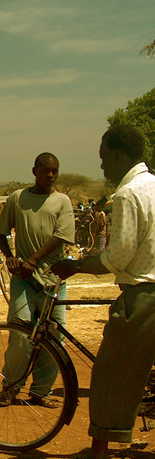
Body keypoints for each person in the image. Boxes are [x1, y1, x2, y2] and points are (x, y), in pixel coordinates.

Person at [52, 125, 155, 459]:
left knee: (112, 373)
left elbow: (120, 256)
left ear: (118, 155)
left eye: (103, 158)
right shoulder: (153, 184)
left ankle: (99, 450)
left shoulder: (127, 194)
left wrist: (77, 265)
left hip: (143, 294)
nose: (101, 167)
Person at [0, 152, 75, 407]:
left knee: (54, 335)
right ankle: (11, 386)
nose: (50, 175)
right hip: (23, 279)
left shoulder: (62, 201)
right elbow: (0, 233)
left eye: (54, 171)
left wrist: (33, 260)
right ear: (34, 171)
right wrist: (10, 257)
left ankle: (41, 391)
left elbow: (61, 238)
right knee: (20, 332)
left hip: (54, 279)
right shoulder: (18, 198)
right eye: (45, 170)